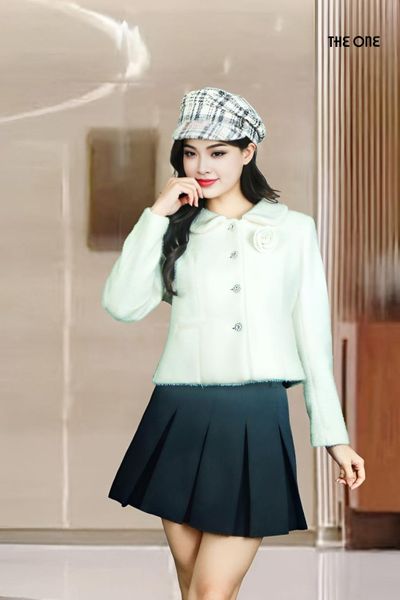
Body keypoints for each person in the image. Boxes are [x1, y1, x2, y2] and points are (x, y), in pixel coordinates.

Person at [101, 87, 366, 600]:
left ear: (248, 152)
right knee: (193, 590)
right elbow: (122, 304)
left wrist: (334, 437)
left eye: (218, 151)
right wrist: (156, 213)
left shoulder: (294, 231)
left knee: (210, 592)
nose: (202, 165)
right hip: (177, 414)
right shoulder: (174, 229)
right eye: (191, 152)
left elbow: (313, 340)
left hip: (255, 418)